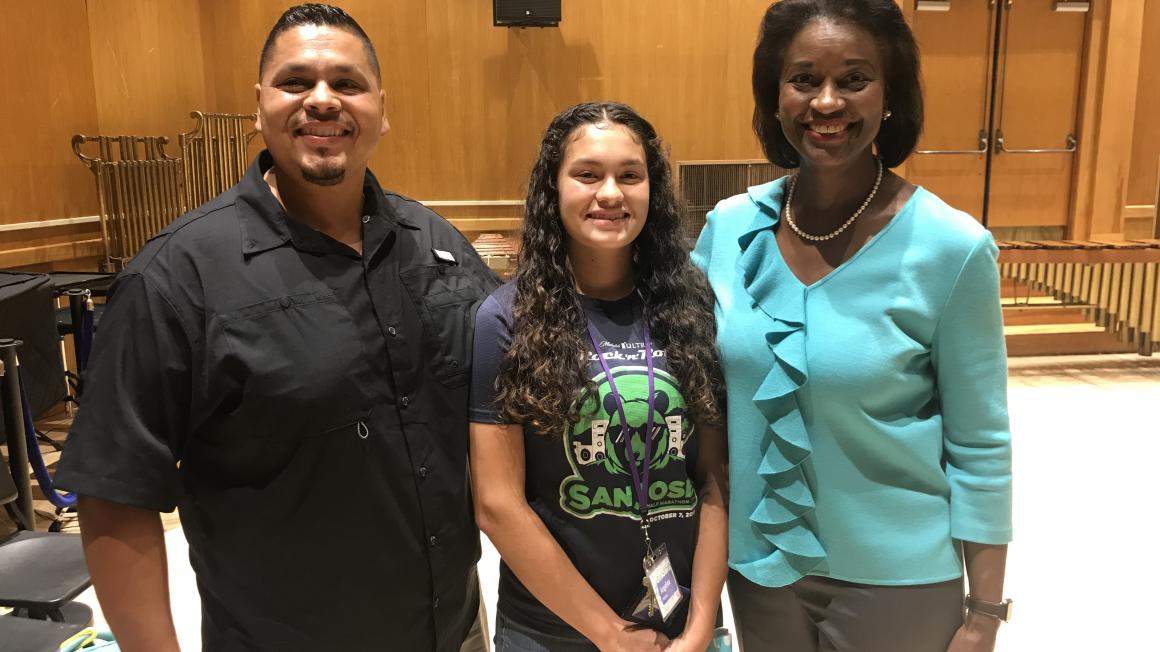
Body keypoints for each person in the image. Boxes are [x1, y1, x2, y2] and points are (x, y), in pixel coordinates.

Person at [55, 4, 498, 650]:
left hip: (454, 631)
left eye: (347, 83)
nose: (322, 101)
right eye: (296, 82)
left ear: (382, 107)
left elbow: (515, 405)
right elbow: (114, 496)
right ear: (260, 107)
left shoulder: (437, 244)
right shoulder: (177, 276)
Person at [691, 1, 1013, 651]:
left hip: (899, 581)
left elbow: (981, 443)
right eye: (804, 79)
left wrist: (983, 614)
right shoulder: (728, 229)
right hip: (759, 572)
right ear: (774, 96)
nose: (827, 102)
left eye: (856, 78)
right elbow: (692, 392)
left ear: (890, 95)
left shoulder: (952, 247)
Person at [468, 102, 729, 652]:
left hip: (678, 626)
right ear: (553, 188)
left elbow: (712, 478)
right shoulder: (504, 320)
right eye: (587, 174)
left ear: (652, 190)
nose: (610, 193)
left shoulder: (691, 307)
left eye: (630, 175)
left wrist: (702, 624)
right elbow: (497, 503)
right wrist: (610, 635)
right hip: (551, 632)